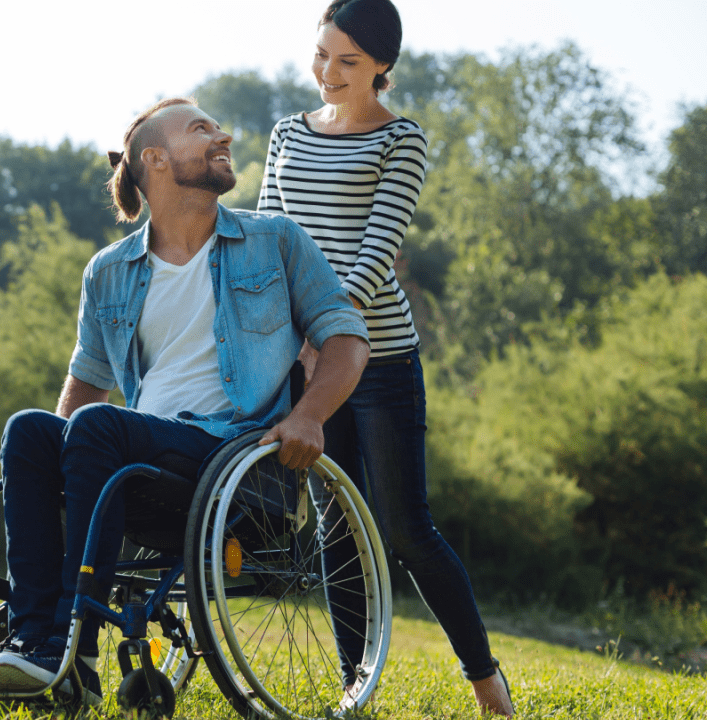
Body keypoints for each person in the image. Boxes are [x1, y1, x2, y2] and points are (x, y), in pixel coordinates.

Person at [0, 97, 370, 705]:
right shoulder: (109, 271)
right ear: (157, 160)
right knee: (30, 430)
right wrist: (54, 473)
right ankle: (33, 642)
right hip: (133, 454)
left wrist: (309, 416)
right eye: (201, 130)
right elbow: (85, 384)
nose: (222, 135)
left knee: (97, 428)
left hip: (233, 456)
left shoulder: (275, 241)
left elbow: (349, 341)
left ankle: (75, 648)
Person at [256, 0, 514, 715]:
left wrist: (323, 331)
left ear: (381, 68)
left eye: (348, 61)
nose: (328, 73)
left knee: (405, 530)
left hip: (381, 359)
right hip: (305, 358)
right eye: (321, 55)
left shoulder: (402, 141)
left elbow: (375, 257)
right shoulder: (285, 134)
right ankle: (354, 684)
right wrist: (284, 336)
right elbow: (268, 236)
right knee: (334, 525)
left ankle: (485, 680)